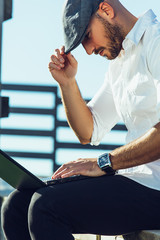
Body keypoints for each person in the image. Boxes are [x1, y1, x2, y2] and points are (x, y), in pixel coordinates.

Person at [1, 0, 160, 239]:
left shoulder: (156, 41)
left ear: (106, 10)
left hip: (155, 188)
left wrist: (104, 163)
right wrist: (67, 83)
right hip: (134, 180)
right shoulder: (119, 63)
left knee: (46, 206)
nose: (87, 50)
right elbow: (88, 131)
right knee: (16, 206)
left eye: (87, 35)